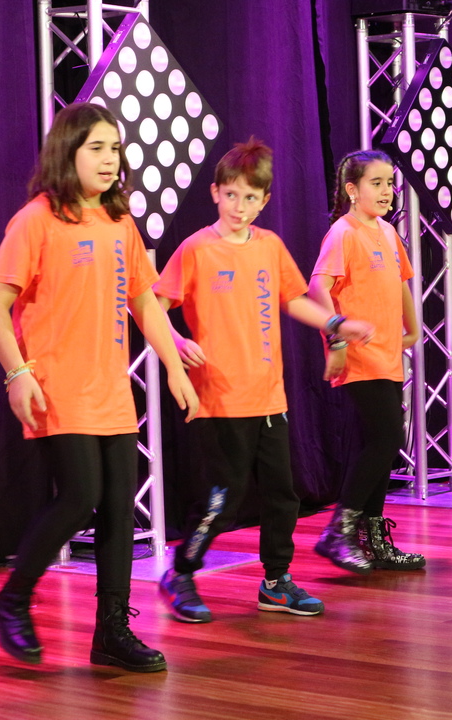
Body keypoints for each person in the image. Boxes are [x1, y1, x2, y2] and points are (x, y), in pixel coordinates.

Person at [0, 102, 200, 673]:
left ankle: (112, 631)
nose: (109, 159)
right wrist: (17, 373)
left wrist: (175, 365)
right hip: (58, 385)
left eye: (115, 148)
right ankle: (12, 601)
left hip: (111, 390)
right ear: (67, 152)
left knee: (119, 509)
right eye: (96, 148)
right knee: (80, 497)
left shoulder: (119, 222)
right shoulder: (36, 220)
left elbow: (144, 299)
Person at [153, 138, 373, 623]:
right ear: (215, 193)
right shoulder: (197, 249)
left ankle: (276, 582)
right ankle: (182, 571)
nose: (239, 206)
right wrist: (176, 340)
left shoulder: (270, 246)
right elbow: (152, 304)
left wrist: (336, 325)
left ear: (264, 201)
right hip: (219, 400)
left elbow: (293, 299)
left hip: (269, 398)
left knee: (283, 495)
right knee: (222, 499)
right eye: (231, 195)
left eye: (250, 197)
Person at [308, 149, 425, 575]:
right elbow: (317, 288)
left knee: (378, 443)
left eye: (390, 183)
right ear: (352, 190)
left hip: (388, 354)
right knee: (386, 438)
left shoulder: (388, 233)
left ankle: (374, 541)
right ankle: (338, 531)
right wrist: (336, 338)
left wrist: (413, 327)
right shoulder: (343, 233)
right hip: (360, 355)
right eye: (376, 183)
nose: (387, 191)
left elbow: (400, 283)